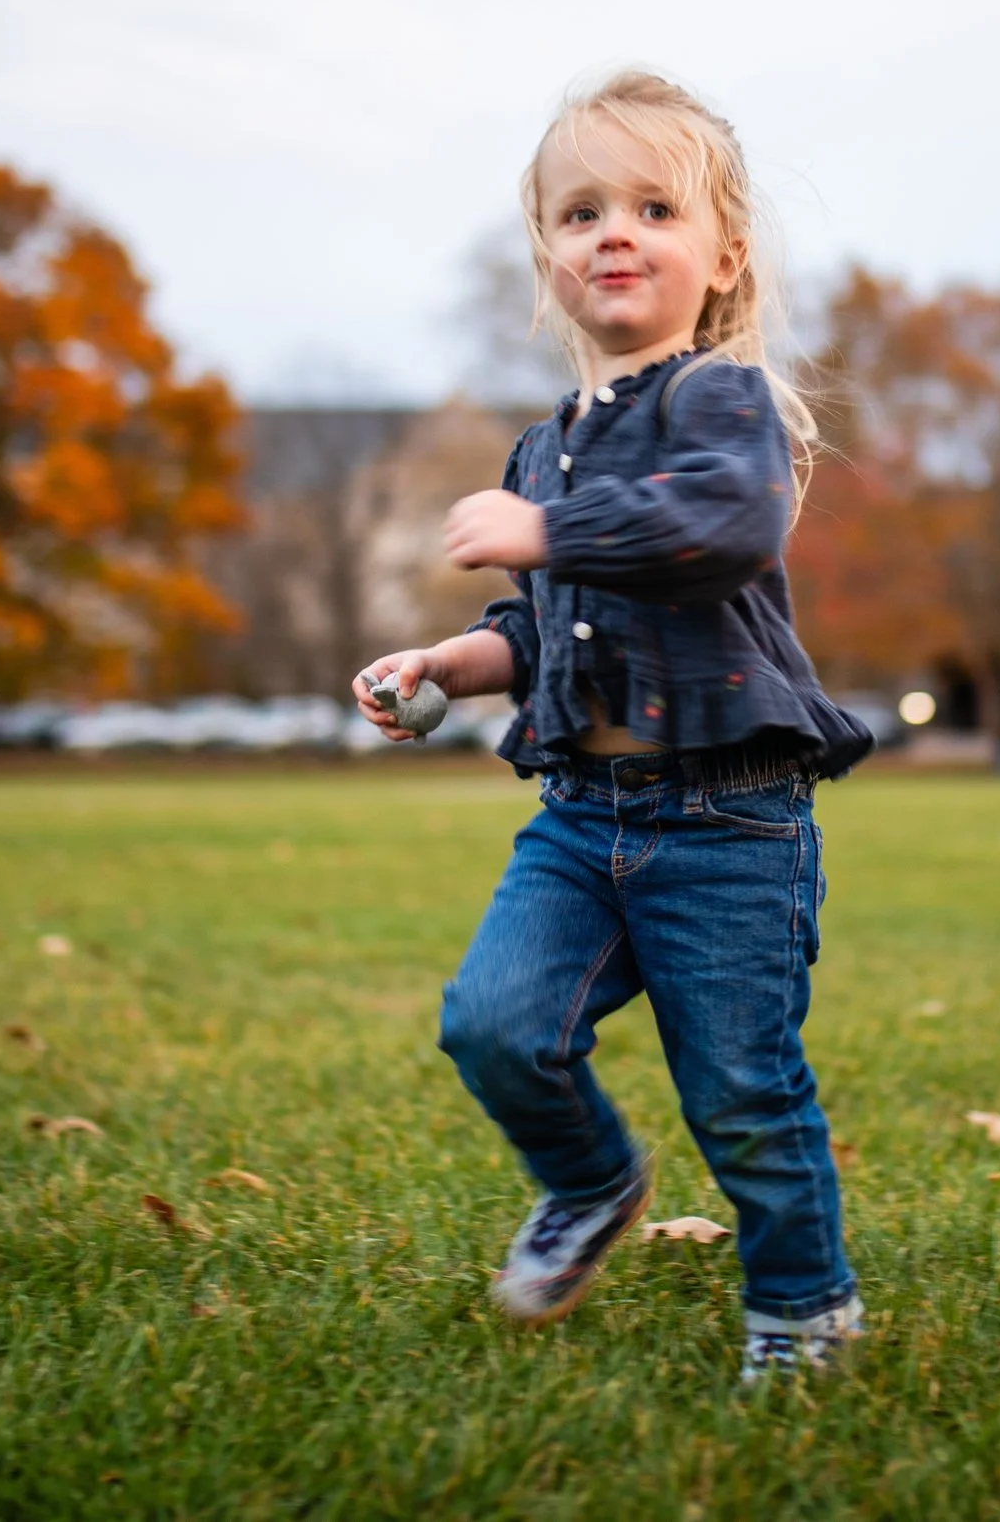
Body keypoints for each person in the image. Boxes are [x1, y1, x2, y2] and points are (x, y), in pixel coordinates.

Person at [351, 71, 875, 1384]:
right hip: (583, 817)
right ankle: (589, 1180)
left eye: (654, 205)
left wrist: (548, 529)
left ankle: (805, 1306)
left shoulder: (723, 405)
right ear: (549, 257)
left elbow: (718, 525)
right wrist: (442, 664)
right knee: (493, 1021)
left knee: (743, 1089)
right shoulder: (542, 451)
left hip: (729, 819)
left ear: (723, 254)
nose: (616, 231)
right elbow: (541, 629)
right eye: (582, 211)